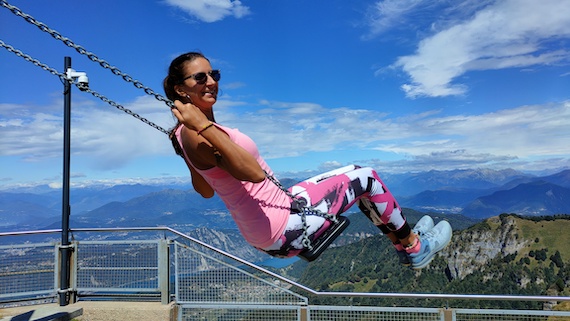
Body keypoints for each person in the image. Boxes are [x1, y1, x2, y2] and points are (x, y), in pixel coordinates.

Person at [164, 52, 452, 269]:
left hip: (267, 224)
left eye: (214, 74)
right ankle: (415, 247)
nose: (211, 82)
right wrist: (202, 126)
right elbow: (253, 174)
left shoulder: (183, 134)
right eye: (200, 77)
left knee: (354, 171)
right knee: (367, 177)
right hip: (282, 229)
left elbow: (205, 189)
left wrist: (197, 131)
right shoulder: (197, 134)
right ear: (180, 89)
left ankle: (402, 243)